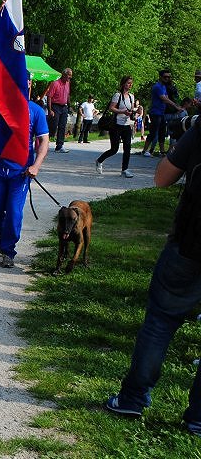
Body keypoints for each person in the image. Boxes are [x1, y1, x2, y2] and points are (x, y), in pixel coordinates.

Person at [103, 118, 201, 437]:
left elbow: (162, 178)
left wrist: (183, 139)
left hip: (190, 244)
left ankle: (132, 398)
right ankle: (198, 420)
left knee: (159, 323)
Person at [0, 80, 49, 268]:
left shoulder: (36, 111)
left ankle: (8, 250)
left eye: (26, 82)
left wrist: (36, 166)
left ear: (30, 85)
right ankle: (2, 230)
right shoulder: (0, 107)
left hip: (20, 173)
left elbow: (44, 141)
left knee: (14, 212)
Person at [96, 76, 136, 178]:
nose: (130, 85)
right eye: (128, 83)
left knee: (127, 148)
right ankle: (99, 160)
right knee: (114, 149)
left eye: (131, 83)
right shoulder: (117, 95)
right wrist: (122, 111)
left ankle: (125, 169)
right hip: (116, 125)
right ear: (123, 84)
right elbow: (111, 108)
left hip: (127, 125)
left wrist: (133, 113)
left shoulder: (131, 96)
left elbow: (131, 110)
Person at [141, 69, 179, 157]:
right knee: (153, 132)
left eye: (169, 77)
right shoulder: (157, 87)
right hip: (155, 112)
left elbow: (167, 97)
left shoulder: (164, 87)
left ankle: (162, 151)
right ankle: (144, 150)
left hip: (161, 113)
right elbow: (164, 98)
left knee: (162, 132)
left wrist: (176, 105)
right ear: (160, 77)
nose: (167, 79)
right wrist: (176, 106)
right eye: (165, 77)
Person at [45, 68, 73, 153]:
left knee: (62, 126)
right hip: (55, 106)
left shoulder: (68, 84)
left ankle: (59, 146)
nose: (69, 78)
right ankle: (43, 143)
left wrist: (69, 105)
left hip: (64, 107)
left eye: (70, 77)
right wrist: (50, 110)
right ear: (64, 75)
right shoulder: (55, 83)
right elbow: (49, 97)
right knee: (53, 125)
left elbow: (68, 95)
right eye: (69, 76)